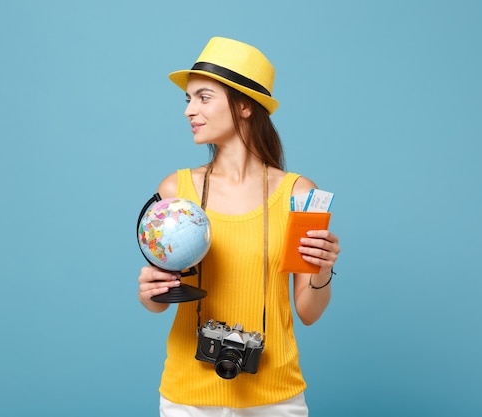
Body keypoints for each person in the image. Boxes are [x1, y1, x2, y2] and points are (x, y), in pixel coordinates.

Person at [137, 36, 341, 417]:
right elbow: (158, 304)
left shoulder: (299, 193)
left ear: (244, 105)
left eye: (203, 97)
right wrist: (149, 292)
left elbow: (309, 313)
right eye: (188, 99)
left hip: (274, 397)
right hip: (188, 397)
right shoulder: (175, 190)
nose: (189, 111)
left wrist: (324, 268)